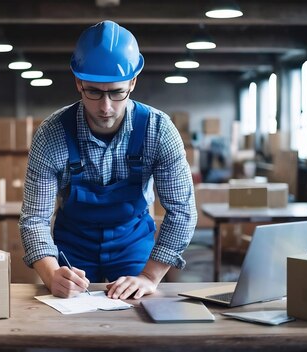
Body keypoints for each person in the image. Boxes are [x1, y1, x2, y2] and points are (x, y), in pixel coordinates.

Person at [19, 20, 197, 300]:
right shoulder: (51, 135)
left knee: (136, 321)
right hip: (73, 245)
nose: (105, 107)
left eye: (116, 92)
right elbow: (35, 219)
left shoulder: (159, 131)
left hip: (132, 242)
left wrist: (149, 276)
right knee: (67, 325)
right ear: (78, 82)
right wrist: (51, 273)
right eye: (94, 92)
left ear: (133, 82)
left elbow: (182, 212)